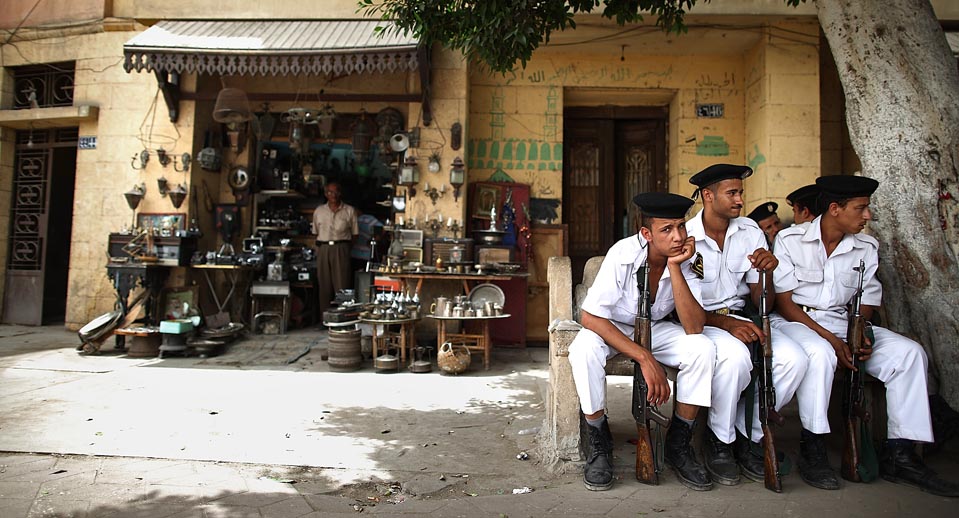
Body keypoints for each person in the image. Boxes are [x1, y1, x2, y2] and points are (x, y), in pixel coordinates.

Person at [771, 175, 959, 496]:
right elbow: (786, 305)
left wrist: (862, 335)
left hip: (845, 324)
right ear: (834, 209)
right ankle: (813, 446)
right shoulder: (791, 240)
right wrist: (835, 342)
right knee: (821, 354)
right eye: (861, 208)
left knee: (909, 354)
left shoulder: (866, 247)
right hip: (799, 323)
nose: (867, 216)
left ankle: (900, 453)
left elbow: (868, 301)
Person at [569, 192, 716, 492]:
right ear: (646, 234)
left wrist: (676, 267)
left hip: (658, 329)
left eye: (681, 226)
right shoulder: (623, 254)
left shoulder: (690, 257)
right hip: (614, 328)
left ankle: (679, 443)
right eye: (666, 230)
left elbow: (694, 325)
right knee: (583, 348)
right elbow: (590, 317)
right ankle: (598, 440)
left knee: (703, 348)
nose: (677, 236)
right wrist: (645, 358)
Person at [687, 164, 808, 487]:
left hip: (742, 316)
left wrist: (767, 272)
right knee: (735, 358)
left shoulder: (750, 232)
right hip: (704, 322)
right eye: (733, 193)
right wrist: (724, 323)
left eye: (740, 192)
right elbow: (683, 306)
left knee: (795, 360)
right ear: (708, 196)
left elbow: (760, 298)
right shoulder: (687, 237)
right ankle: (720, 442)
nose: (740, 200)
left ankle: (748, 433)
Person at [312, 181, 359, 321]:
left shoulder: (349, 211)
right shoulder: (319, 211)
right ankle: (325, 318)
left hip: (342, 247)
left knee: (342, 284)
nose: (334, 195)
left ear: (340, 193)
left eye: (336, 191)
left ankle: (343, 318)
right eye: (330, 192)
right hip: (323, 248)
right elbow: (315, 233)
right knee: (324, 284)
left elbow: (355, 234)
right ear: (326, 194)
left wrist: (345, 248)